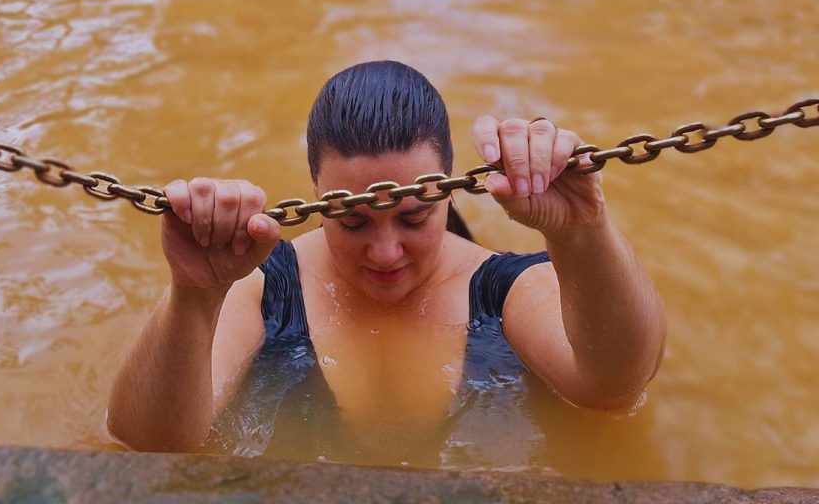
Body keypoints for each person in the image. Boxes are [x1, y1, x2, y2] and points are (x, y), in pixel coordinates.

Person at [107, 61, 667, 459]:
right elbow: (152, 447)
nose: (385, 252)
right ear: (315, 193)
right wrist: (194, 293)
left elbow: (613, 388)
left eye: (414, 218)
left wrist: (582, 232)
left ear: (449, 191)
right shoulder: (262, 285)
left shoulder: (502, 288)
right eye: (352, 221)